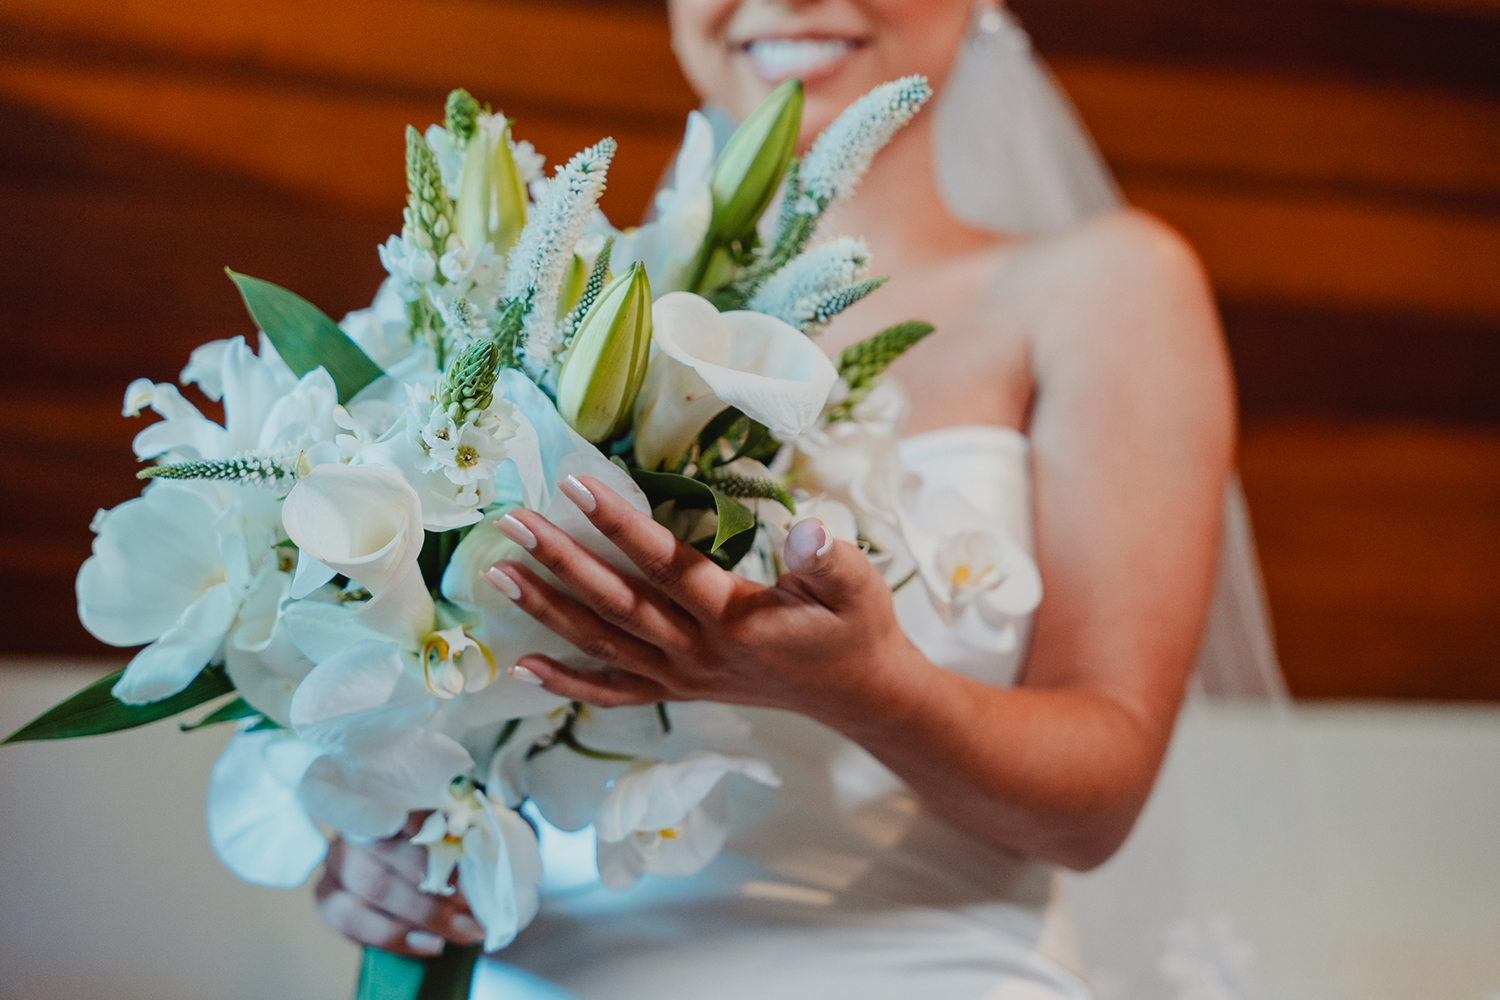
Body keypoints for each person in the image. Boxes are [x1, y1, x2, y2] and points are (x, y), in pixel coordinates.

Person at [315, 2, 1282, 996]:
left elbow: (1094, 809)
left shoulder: (1102, 287)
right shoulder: (546, 301)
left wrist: (865, 689)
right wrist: (388, 847)